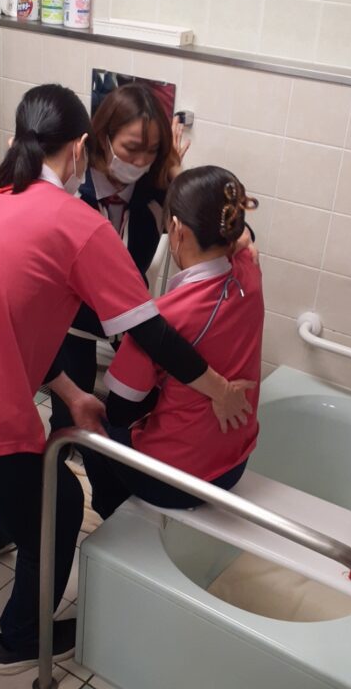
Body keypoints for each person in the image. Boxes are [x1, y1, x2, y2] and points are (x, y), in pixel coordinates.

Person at [0, 84, 254, 675]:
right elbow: (151, 334)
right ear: (84, 146)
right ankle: (20, 640)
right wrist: (219, 388)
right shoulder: (78, 223)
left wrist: (71, 393)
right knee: (59, 507)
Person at [83, 166, 264, 518]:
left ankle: (114, 518)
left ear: (177, 229)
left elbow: (121, 411)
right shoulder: (250, 273)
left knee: (90, 428)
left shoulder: (163, 318)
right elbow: (245, 237)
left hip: (171, 480)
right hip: (233, 464)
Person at [49, 82, 189, 431]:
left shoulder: (154, 190)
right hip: (72, 321)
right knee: (68, 420)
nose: (140, 161)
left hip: (129, 317)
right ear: (104, 136)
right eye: (131, 148)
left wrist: (174, 171)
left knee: (133, 415)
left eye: (152, 151)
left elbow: (211, 220)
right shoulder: (71, 186)